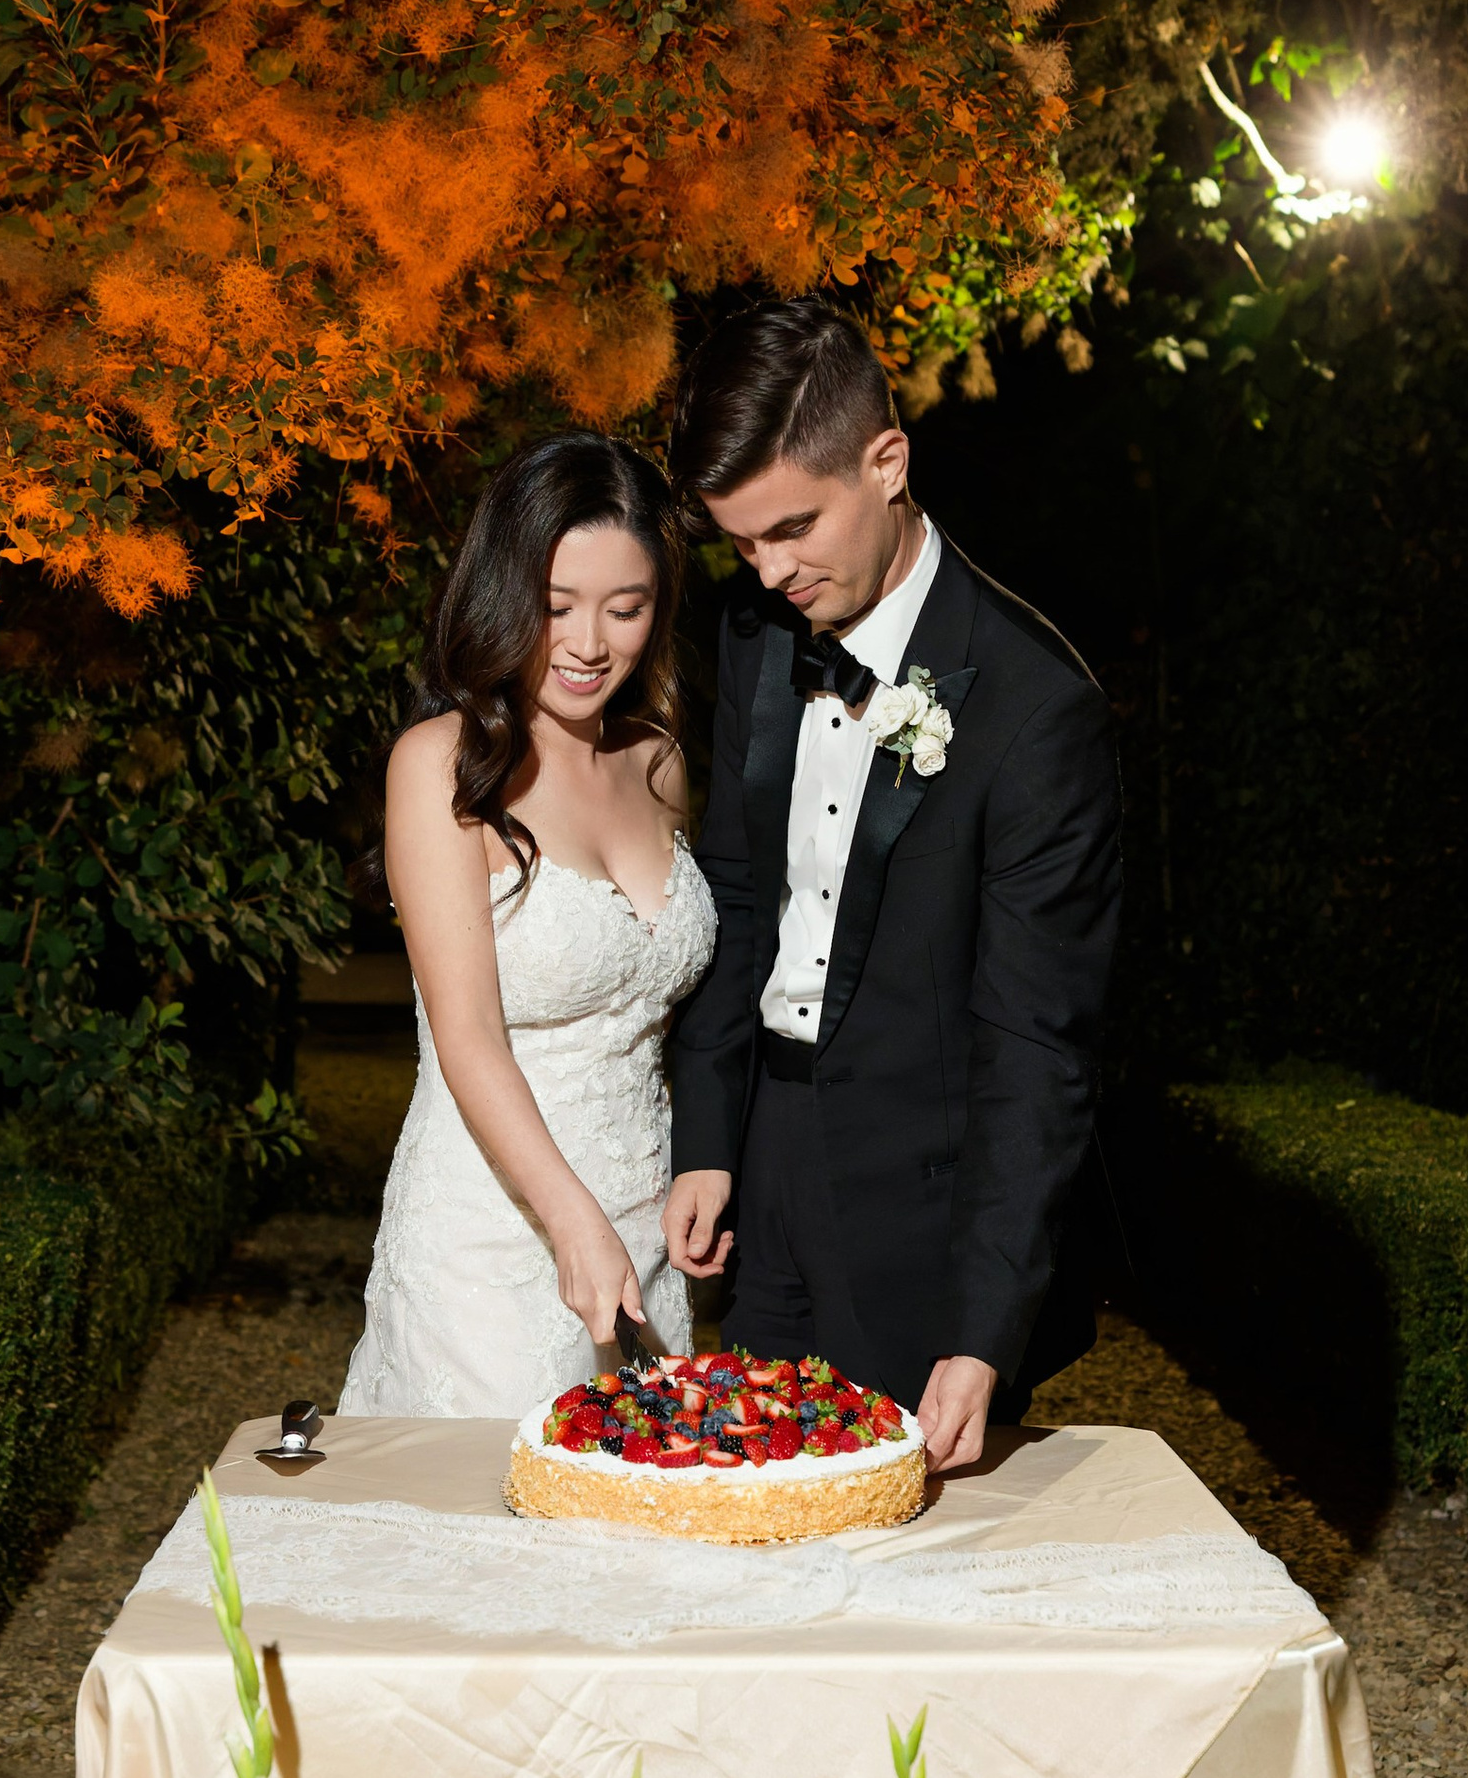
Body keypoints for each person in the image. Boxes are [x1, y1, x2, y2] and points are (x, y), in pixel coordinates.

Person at [664, 299, 1120, 1471]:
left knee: (895, 1585)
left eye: (792, 529)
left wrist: (983, 1330)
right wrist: (709, 1136)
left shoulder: (1035, 708)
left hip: (921, 1213)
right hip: (764, 1157)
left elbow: (1036, 1043)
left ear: (888, 460)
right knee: (736, 1513)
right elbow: (738, 888)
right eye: (740, 544)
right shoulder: (761, 631)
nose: (767, 574)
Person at [334, 434, 718, 1419]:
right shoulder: (438, 765)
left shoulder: (658, 760)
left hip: (644, 1219)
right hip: (493, 1240)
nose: (590, 643)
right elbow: (465, 1037)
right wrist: (570, 1219)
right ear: (505, 599)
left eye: (624, 609)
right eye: (556, 608)